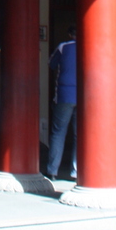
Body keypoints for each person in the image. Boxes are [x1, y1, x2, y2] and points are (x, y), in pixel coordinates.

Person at [47, 26, 77, 180]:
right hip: (84, 96)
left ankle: (52, 171)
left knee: (58, 132)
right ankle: (76, 171)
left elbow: (51, 64)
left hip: (65, 94)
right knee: (80, 135)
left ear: (70, 34)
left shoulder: (63, 47)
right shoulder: (89, 45)